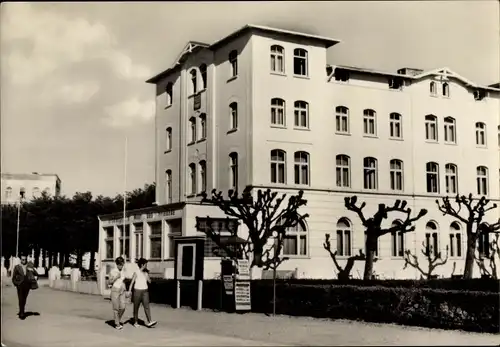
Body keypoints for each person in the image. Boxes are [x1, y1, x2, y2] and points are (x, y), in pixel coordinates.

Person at [127, 258, 157, 328]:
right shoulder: (136, 272)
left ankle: (150, 321)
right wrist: (129, 291)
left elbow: (150, 281)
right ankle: (135, 322)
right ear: (142, 265)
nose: (146, 266)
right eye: (146, 264)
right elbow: (132, 283)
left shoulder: (146, 273)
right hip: (137, 291)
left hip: (145, 291)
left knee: (147, 306)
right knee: (136, 307)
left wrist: (147, 276)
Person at [12, 254, 38, 319]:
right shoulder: (17, 267)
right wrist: (16, 284)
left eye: (25, 259)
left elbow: (36, 274)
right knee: (20, 298)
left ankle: (22, 310)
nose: (24, 261)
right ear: (21, 260)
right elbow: (13, 277)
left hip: (27, 284)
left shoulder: (29, 266)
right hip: (20, 284)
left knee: (24, 298)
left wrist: (32, 272)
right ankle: (21, 313)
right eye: (23, 259)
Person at [108, 257, 127, 330]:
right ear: (117, 264)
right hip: (115, 289)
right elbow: (109, 282)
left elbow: (123, 280)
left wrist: (126, 289)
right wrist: (116, 277)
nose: (121, 266)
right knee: (116, 308)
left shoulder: (123, 271)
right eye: (119, 264)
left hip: (122, 290)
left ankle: (117, 320)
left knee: (123, 307)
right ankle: (117, 324)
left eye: (122, 264)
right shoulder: (113, 271)